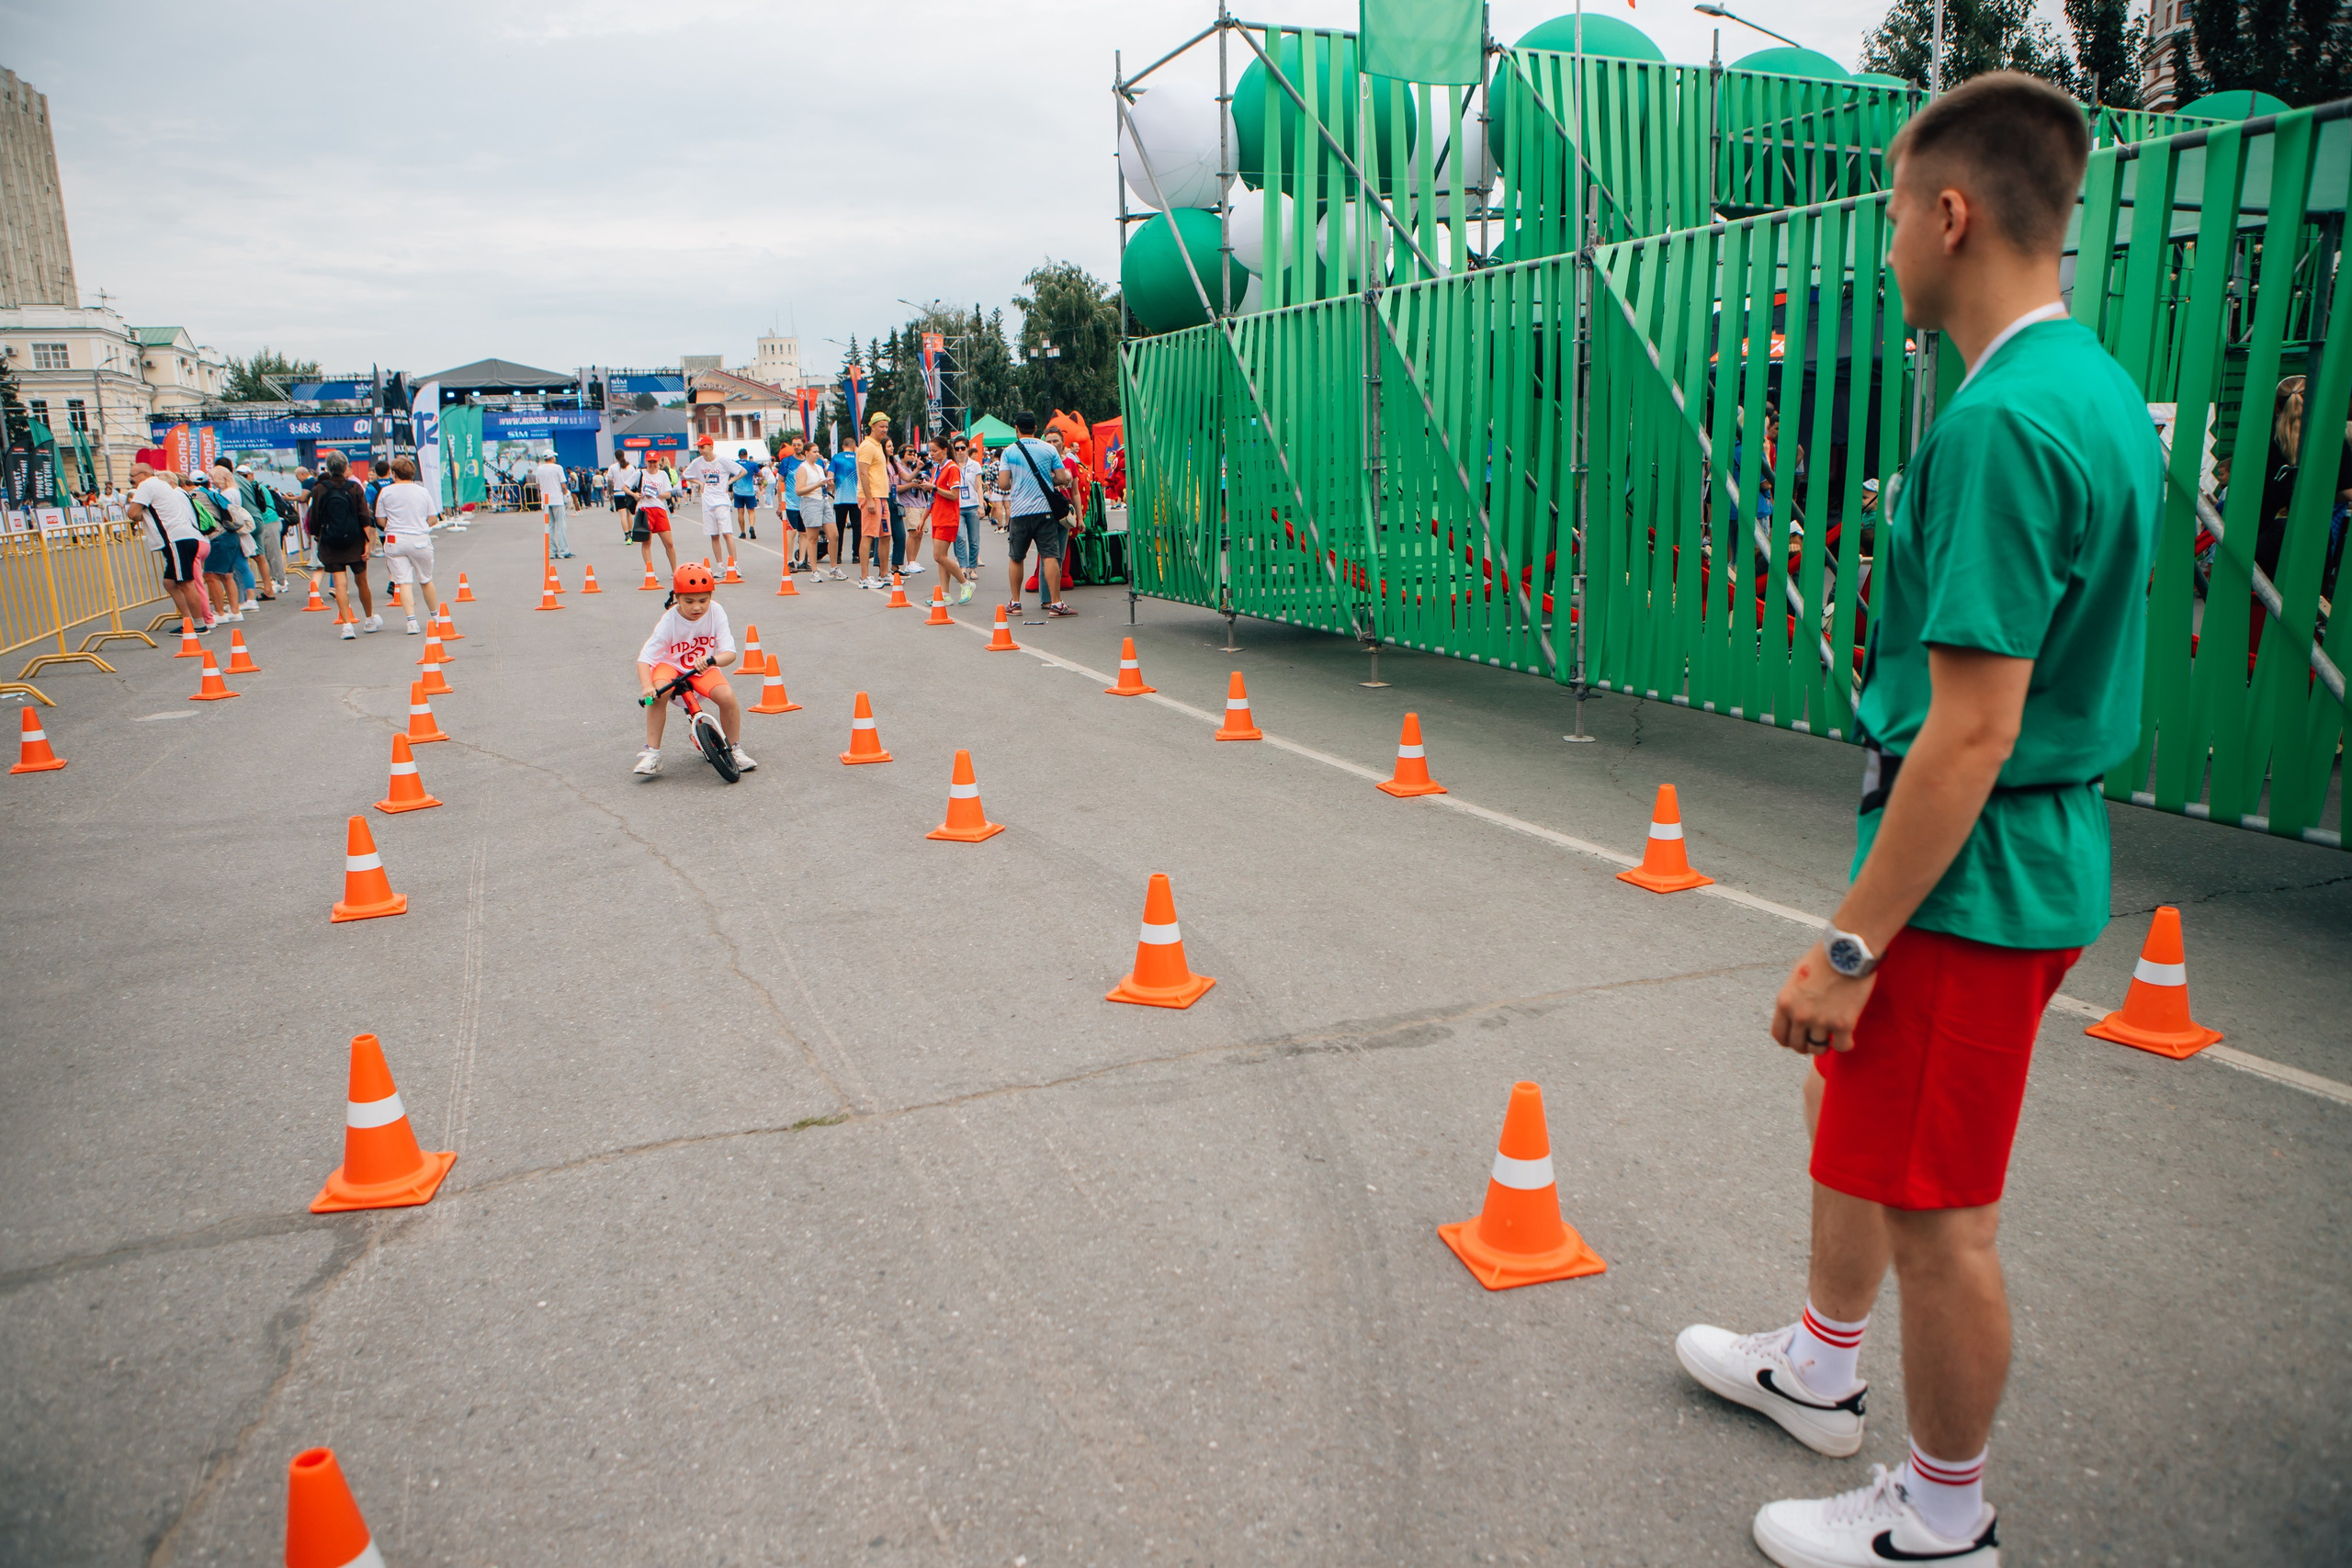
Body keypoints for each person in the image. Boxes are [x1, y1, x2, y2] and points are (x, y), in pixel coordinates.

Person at [1671, 75, 2159, 1568]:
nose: (1885, 247)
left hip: (1973, 868)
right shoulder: (2087, 385)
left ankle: (1943, 1519)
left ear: (1950, 216)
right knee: (1853, 1112)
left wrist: (1848, 944)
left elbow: (1972, 728)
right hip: (2006, 848)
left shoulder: (2003, 423)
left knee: (1944, 1219)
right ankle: (1820, 1365)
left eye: (1891, 216)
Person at [633, 562, 753, 777]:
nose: (697, 607)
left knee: (727, 696)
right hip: (670, 665)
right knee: (659, 695)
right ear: (677, 598)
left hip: (702, 666)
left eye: (703, 600)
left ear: (711, 597)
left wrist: (711, 659)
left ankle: (735, 749)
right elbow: (645, 659)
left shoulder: (716, 611)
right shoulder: (670, 620)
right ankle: (652, 754)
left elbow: (729, 653)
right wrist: (647, 686)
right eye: (689, 601)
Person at [997, 412, 1075, 618]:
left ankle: (1015, 603)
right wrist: (1048, 479)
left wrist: (1018, 480)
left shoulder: (1009, 452)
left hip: (1019, 512)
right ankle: (1056, 603)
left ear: (1016, 428)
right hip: (1045, 511)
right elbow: (1062, 478)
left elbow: (1003, 484)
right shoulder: (1048, 449)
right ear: (1035, 428)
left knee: (1016, 557)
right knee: (1050, 556)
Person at [126, 460, 212, 631]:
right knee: (170, 583)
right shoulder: (162, 484)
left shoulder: (146, 485)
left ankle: (199, 625)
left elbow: (132, 513)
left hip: (175, 539)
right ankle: (188, 621)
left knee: (186, 583)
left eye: (132, 477)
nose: (130, 481)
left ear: (144, 474)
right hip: (184, 537)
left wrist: (144, 516)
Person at [308, 451, 380, 638]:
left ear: (328, 468)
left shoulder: (319, 489)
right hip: (355, 541)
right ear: (346, 467)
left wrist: (319, 537)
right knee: (361, 581)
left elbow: (314, 520)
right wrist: (367, 544)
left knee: (340, 584)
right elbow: (364, 517)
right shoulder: (355, 487)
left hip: (331, 542)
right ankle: (369, 619)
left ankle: (347, 625)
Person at [376, 457, 441, 632]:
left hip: (395, 539)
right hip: (419, 538)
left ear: (394, 473)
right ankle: (436, 616)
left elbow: (380, 520)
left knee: (403, 582)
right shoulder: (422, 491)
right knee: (426, 579)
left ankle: (411, 621)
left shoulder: (386, 492)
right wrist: (421, 525)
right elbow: (433, 518)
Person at [925, 434, 974, 603]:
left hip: (947, 517)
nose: (932, 454)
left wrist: (934, 488)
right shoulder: (937, 469)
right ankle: (945, 594)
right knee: (941, 558)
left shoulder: (952, 468)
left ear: (944, 450)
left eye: (935, 451)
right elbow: (932, 497)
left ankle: (965, 583)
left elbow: (954, 495)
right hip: (937, 516)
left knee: (939, 556)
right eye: (930, 451)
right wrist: (923, 518)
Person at [682, 435, 739, 572]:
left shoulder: (722, 460)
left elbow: (742, 471)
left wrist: (729, 483)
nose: (700, 450)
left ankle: (734, 565)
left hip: (721, 501)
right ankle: (720, 566)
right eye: (699, 447)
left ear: (711, 447)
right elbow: (685, 475)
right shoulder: (697, 462)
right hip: (707, 501)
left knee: (727, 533)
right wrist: (700, 482)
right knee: (714, 535)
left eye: (703, 447)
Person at [855, 414, 893, 588]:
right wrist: (869, 499)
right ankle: (864, 577)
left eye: (886, 427)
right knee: (868, 535)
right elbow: (863, 473)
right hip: (871, 497)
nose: (884, 430)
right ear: (873, 427)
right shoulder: (867, 446)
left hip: (882, 496)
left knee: (885, 535)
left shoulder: (878, 445)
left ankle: (884, 573)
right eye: (881, 426)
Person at [630, 452, 680, 578]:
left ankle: (675, 571)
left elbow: (668, 494)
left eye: (655, 462)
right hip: (645, 510)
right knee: (646, 542)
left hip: (659, 510)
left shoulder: (662, 474)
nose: (652, 464)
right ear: (646, 462)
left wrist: (656, 494)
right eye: (650, 462)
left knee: (669, 543)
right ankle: (650, 571)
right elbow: (625, 486)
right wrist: (635, 495)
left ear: (658, 462)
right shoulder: (640, 473)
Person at [795, 445, 837, 581]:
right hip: (810, 502)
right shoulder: (803, 468)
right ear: (807, 453)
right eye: (814, 452)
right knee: (813, 538)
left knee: (834, 535)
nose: (817, 454)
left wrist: (828, 485)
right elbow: (799, 490)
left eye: (818, 451)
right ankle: (814, 571)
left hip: (823, 500)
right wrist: (817, 485)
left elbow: (822, 485)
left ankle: (834, 568)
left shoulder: (819, 467)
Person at [527, 451, 571, 559]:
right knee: (561, 525)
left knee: (549, 527)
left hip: (546, 500)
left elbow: (538, 485)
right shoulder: (558, 468)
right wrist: (566, 495)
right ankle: (563, 551)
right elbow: (563, 485)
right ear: (552, 458)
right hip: (557, 499)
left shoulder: (539, 469)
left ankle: (551, 552)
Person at [829, 434, 861, 576]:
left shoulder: (836, 458)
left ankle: (838, 555)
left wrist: (832, 485)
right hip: (856, 498)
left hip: (840, 498)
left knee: (839, 528)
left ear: (843, 446)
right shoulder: (858, 457)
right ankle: (856, 555)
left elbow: (830, 477)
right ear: (854, 446)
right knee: (857, 527)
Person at [952, 434, 983, 575]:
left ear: (967, 449)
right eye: (957, 448)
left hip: (972, 505)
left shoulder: (975, 465)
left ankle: (972, 568)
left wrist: (981, 505)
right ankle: (962, 567)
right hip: (957, 506)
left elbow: (979, 486)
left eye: (962, 448)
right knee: (960, 537)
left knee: (974, 539)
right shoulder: (952, 465)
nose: (960, 451)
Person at [730, 446, 762, 540]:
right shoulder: (752, 464)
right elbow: (760, 474)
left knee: (740, 512)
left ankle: (743, 532)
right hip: (749, 492)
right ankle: (751, 526)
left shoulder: (735, 464)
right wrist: (754, 473)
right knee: (751, 511)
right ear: (747, 455)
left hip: (738, 491)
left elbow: (731, 475)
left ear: (739, 455)